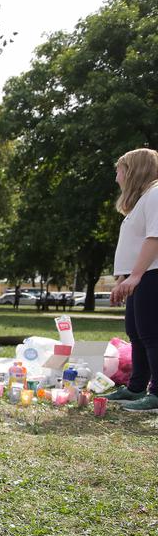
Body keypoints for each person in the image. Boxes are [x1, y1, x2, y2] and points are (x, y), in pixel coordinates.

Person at [104, 147, 158, 413]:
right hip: (139, 276)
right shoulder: (142, 201)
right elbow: (133, 246)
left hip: (152, 274)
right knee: (136, 333)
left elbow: (154, 238)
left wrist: (136, 275)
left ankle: (156, 393)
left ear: (133, 171)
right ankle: (137, 387)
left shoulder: (156, 194)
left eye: (119, 171)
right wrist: (123, 278)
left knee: (151, 333)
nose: (117, 178)